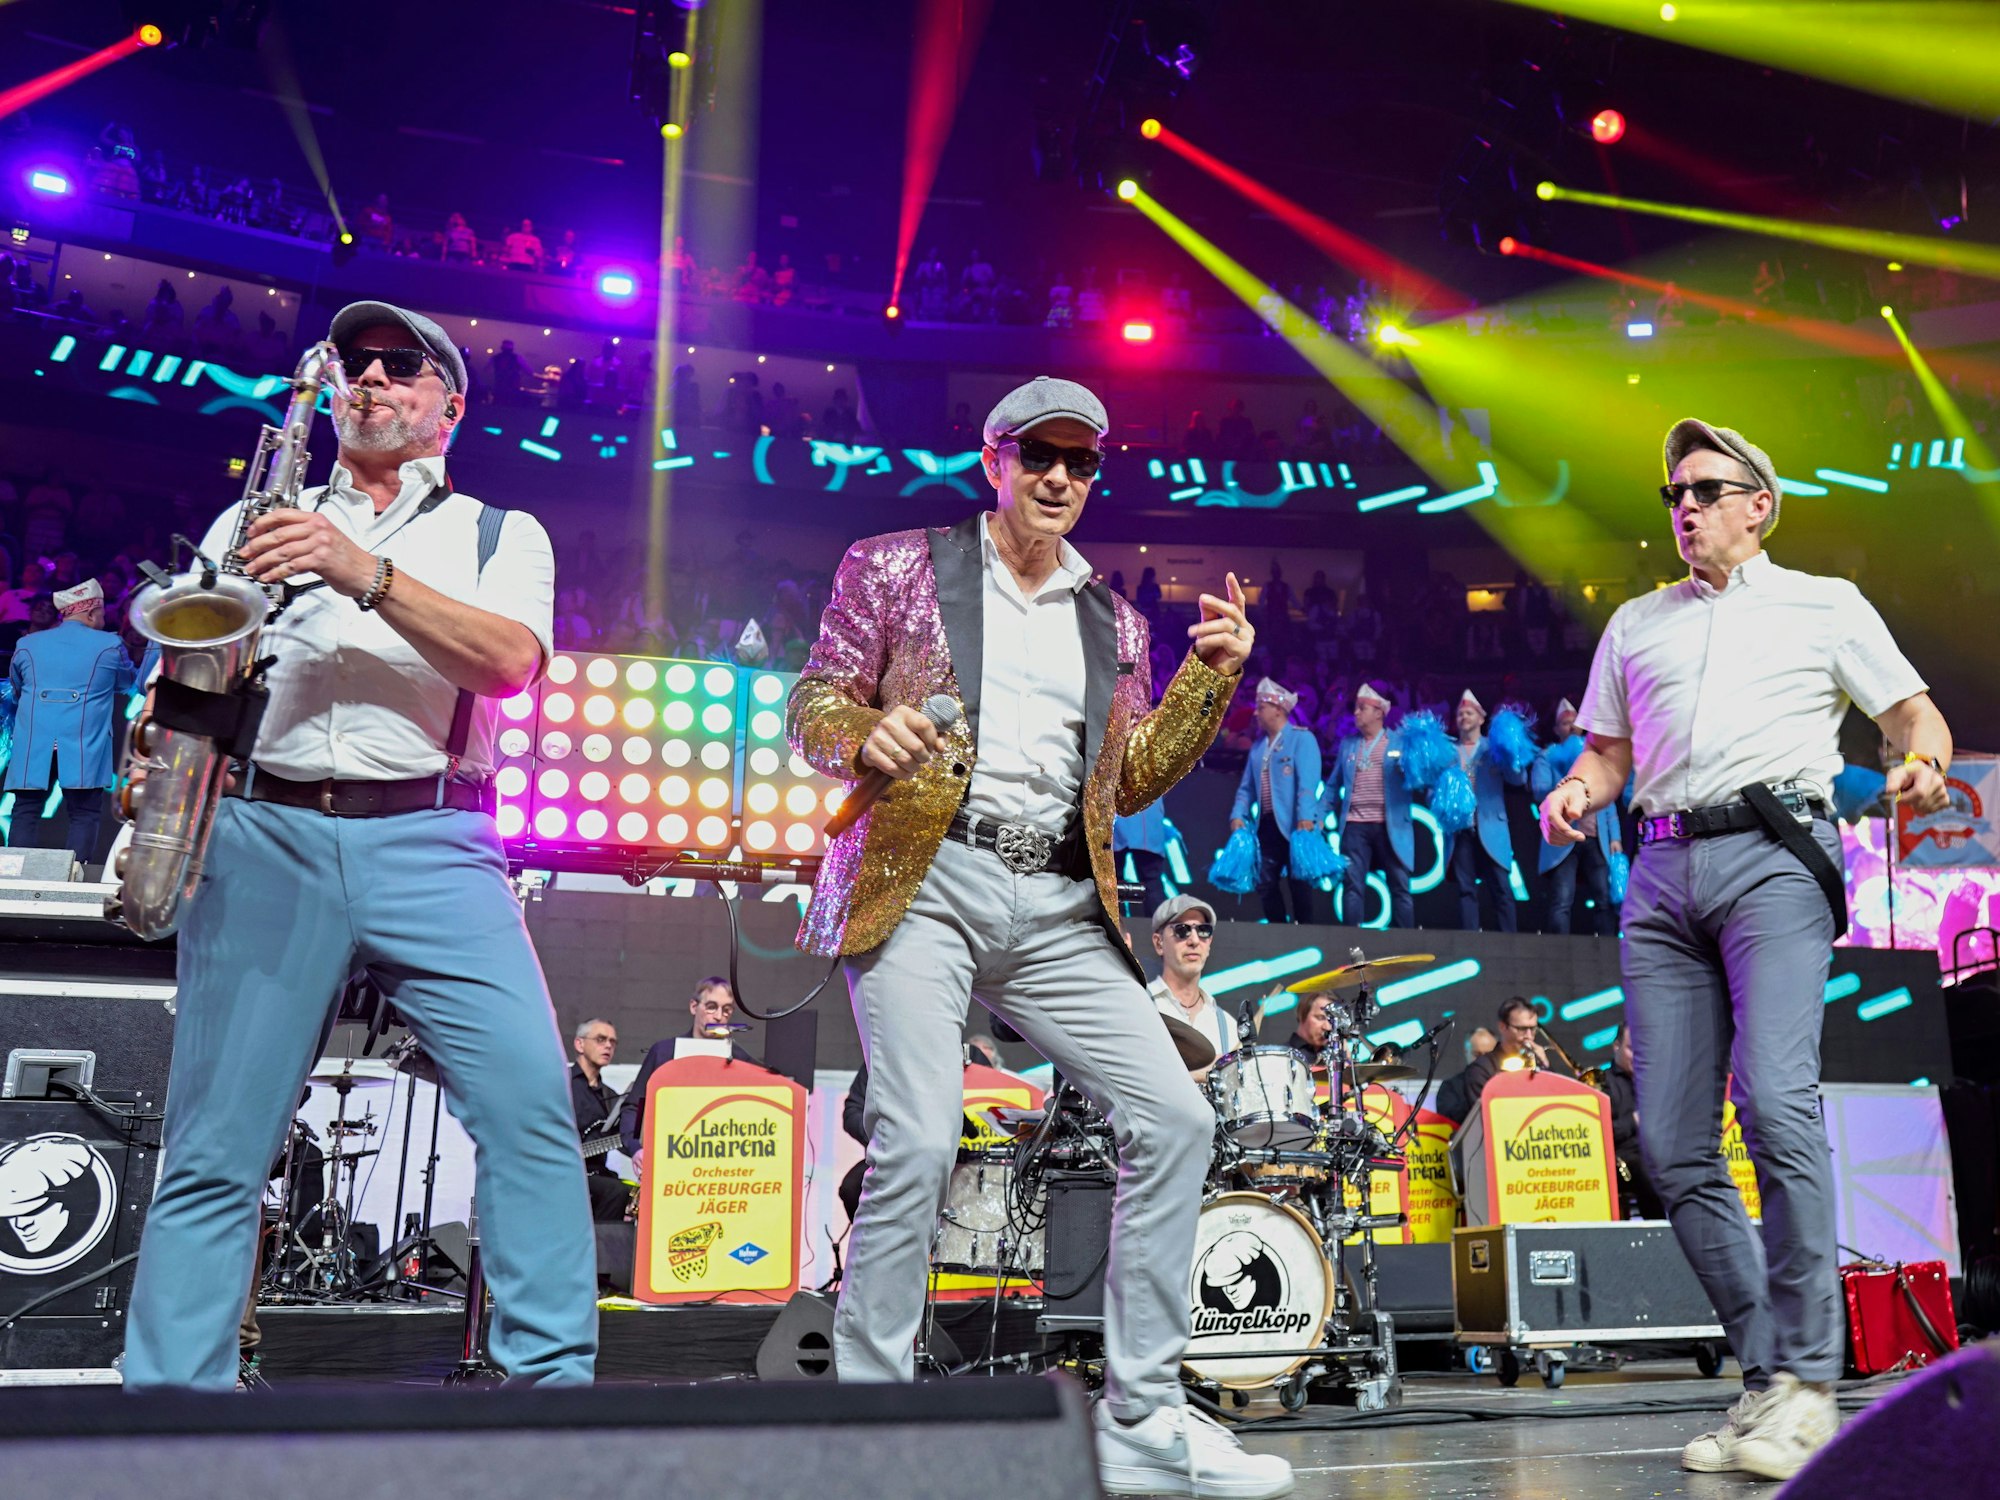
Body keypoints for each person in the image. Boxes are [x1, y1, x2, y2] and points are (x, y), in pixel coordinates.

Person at [787, 375, 1285, 1497]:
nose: (1061, 478)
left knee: (1175, 1117)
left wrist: (1210, 679)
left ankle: (1142, 1420)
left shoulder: (1110, 618)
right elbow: (811, 702)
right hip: (927, 879)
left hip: (1058, 904)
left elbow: (1131, 778)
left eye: (1083, 462)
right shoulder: (894, 563)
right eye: (1039, 456)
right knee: (916, 1136)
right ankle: (865, 1425)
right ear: (994, 458)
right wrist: (866, 733)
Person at [123, 300, 595, 1390]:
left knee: (528, 1115)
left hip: (436, 838)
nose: (372, 378)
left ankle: (552, 1400)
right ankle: (167, 1413)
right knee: (213, 1148)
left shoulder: (495, 531)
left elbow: (507, 663)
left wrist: (354, 568)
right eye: (355, 363)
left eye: (402, 366)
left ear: (448, 409)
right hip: (262, 834)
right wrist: (161, 733)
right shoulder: (250, 522)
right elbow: (189, 679)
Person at [1543, 417, 1952, 1481]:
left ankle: (1812, 1381)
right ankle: (1766, 1376)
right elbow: (1605, 752)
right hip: (1661, 871)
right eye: (1672, 492)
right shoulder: (1635, 623)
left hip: (1775, 857)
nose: (1682, 506)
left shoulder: (1823, 604)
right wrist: (1577, 792)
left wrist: (1920, 764)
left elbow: (1916, 718)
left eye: (1704, 488)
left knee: (1772, 1101)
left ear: (1756, 503)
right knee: (1672, 1145)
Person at [4, 579, 134, 863]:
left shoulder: (27, 643)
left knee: (26, 810)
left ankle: (12, 873)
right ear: (90, 614)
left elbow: (15, 687)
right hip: (83, 741)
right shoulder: (111, 644)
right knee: (84, 813)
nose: (102, 620)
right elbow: (127, 682)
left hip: (34, 742)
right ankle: (75, 875)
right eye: (100, 615)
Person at [618, 978, 757, 1171]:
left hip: (720, 1170)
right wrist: (636, 1149)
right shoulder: (664, 1053)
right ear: (694, 1006)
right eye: (711, 1007)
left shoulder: (740, 1059)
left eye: (726, 1010)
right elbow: (635, 1107)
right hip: (667, 1164)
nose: (719, 1016)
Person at [1230, 677, 1323, 924]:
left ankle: (1306, 931)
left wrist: (1305, 817)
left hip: (1294, 824)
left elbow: (1307, 784)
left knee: (1299, 881)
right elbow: (1246, 788)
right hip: (1268, 824)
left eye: (1262, 708)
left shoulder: (1302, 739)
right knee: (1264, 880)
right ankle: (1278, 928)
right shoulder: (1258, 747)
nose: (1256, 714)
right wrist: (1237, 814)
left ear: (1279, 710)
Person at [1531, 697, 1621, 935]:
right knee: (1562, 899)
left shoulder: (1596, 758)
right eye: (1564, 723)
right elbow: (1539, 790)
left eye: (1574, 722)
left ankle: (1608, 950)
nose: (1570, 727)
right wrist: (1566, 773)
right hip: (1565, 836)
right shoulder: (1547, 756)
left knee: (1604, 896)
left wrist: (1616, 837)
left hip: (1596, 836)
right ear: (1556, 729)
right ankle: (1560, 953)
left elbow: (1609, 800)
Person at [1331, 682, 1414, 928]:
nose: (1356, 713)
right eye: (1356, 708)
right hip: (1355, 823)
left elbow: (1417, 777)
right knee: (1352, 886)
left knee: (1400, 885)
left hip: (1390, 825)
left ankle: (1406, 942)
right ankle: (1350, 942)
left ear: (1379, 712)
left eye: (1362, 708)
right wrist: (1316, 816)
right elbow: (1333, 784)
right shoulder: (1348, 744)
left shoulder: (1399, 742)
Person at [1448, 690, 1523, 933]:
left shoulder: (1494, 748)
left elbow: (1517, 779)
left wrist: (1513, 756)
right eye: (1460, 714)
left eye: (1469, 713)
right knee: (1466, 889)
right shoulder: (1448, 752)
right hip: (1461, 829)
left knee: (1501, 887)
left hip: (1491, 826)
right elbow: (1434, 791)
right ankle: (1471, 940)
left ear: (1481, 719)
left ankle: (1510, 941)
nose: (1463, 717)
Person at [1148, 894, 1235, 1074]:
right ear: (1159, 943)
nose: (1194, 940)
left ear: (1209, 943)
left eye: (1203, 930)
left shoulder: (1227, 1025)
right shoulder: (1140, 1006)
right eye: (1182, 930)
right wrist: (1205, 1073)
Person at [1456, 997, 1571, 1113]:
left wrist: (1545, 1067)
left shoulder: (1539, 1064)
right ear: (1502, 1027)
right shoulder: (1481, 1069)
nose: (1529, 1036)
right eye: (1522, 1029)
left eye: (1533, 1029)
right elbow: (1487, 1115)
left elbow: (1557, 1104)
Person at [568, 1018, 628, 1224]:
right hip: (563, 1173)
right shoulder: (560, 1085)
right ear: (580, 1044)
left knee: (634, 1190)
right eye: (601, 1039)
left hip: (596, 1174)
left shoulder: (611, 1097)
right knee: (616, 1191)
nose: (608, 1045)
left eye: (613, 1041)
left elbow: (623, 1142)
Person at [1602, 1024, 1663, 1219]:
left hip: (1658, 1152)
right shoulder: (1602, 1083)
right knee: (1647, 1170)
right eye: (1631, 1050)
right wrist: (1634, 1121)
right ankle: (1659, 1233)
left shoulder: (1656, 1081)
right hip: (1623, 1159)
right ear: (1616, 1046)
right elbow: (1600, 1135)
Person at [1112, 798, 1169, 917]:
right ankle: (1114, 927)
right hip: (1120, 816)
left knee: (1150, 881)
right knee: (1112, 882)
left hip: (1141, 818)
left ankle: (1158, 927)